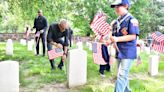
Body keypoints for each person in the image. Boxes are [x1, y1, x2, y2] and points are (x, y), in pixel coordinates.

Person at [110, 0, 140, 92]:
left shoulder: (132, 20)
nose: (116, 8)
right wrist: (109, 38)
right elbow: (114, 36)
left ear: (126, 6)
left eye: (118, 6)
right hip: (119, 51)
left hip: (128, 51)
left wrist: (117, 39)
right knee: (122, 74)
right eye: (115, 7)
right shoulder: (116, 22)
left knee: (122, 74)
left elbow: (132, 36)